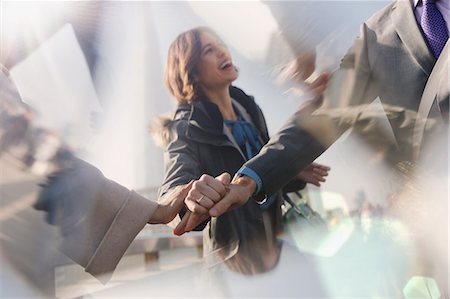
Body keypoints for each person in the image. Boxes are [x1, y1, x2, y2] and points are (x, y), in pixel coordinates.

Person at [154, 26, 330, 253]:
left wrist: (290, 173)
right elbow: (174, 185)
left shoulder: (250, 110)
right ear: (192, 71)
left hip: (277, 245)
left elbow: (257, 172)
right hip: (235, 260)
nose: (222, 52)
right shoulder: (186, 127)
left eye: (221, 46)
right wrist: (185, 197)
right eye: (209, 50)